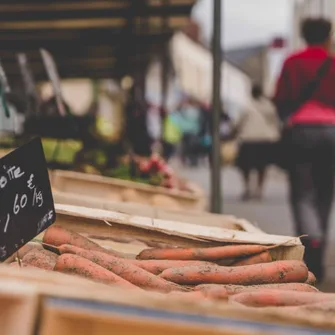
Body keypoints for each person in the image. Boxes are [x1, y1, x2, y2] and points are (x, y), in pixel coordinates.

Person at [274, 18, 335, 281]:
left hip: (302, 132)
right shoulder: (333, 62)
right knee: (325, 191)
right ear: (328, 35)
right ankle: (320, 246)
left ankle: (313, 245)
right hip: (332, 131)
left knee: (303, 193)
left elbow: (280, 98)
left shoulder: (292, 62)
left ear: (303, 34)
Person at [236, 84, 280, 201]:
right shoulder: (270, 107)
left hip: (248, 138)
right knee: (262, 167)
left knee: (245, 166)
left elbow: (239, 122)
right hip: (265, 139)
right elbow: (276, 122)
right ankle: (259, 190)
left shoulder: (247, 106)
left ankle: (247, 188)